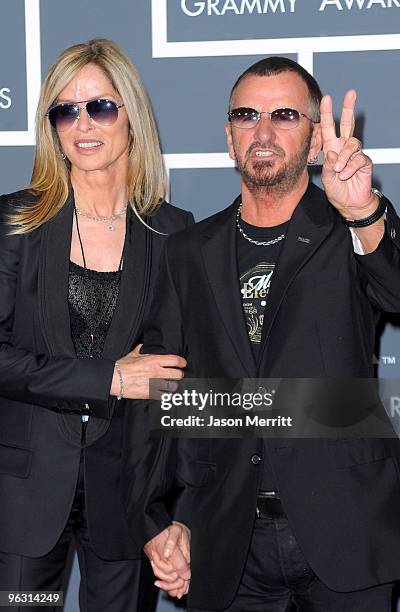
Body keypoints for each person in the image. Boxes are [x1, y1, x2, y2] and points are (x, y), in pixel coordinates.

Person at [124, 57, 400, 611]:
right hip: (229, 541)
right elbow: (165, 392)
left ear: (316, 138)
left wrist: (365, 211)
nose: (264, 131)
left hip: (348, 533)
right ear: (229, 138)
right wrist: (159, 519)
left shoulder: (349, 226)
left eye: (284, 115)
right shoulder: (188, 252)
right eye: (247, 115)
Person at [0, 38, 193, 612]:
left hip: (129, 499)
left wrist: (176, 514)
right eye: (65, 110)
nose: (83, 124)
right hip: (26, 500)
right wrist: (107, 378)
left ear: (131, 113)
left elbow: (178, 382)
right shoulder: (17, 223)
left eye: (101, 106)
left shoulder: (172, 232)